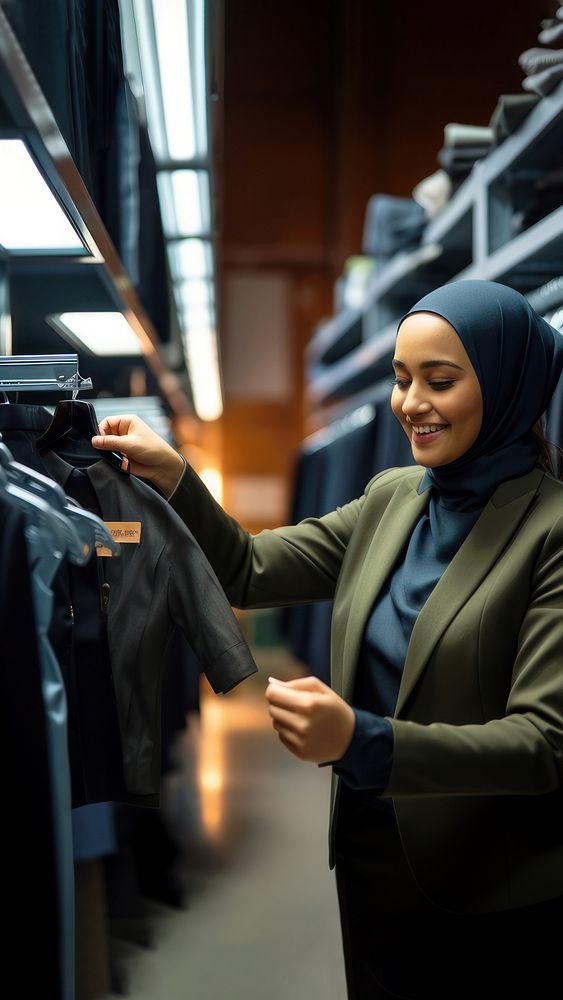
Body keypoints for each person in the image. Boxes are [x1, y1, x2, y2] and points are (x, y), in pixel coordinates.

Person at [92, 280, 563, 999]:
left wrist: (362, 740)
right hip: (371, 858)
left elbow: (542, 743)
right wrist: (178, 478)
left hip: (486, 886)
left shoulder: (549, 532)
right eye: (401, 380)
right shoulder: (394, 498)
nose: (410, 404)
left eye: (439, 381)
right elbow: (249, 570)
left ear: (505, 385)